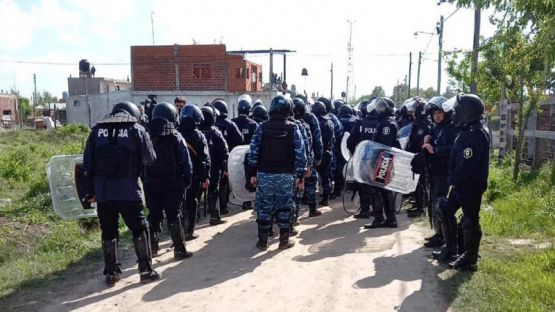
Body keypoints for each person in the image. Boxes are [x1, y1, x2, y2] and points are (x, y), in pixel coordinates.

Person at [83, 101, 159, 287]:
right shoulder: (137, 130)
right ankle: (145, 270)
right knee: (140, 228)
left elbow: (87, 165)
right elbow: (150, 158)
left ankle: (111, 273)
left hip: (103, 192)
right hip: (128, 191)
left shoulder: (96, 132)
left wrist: (90, 191)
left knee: (109, 231)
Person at [433, 94, 490, 271]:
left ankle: (470, 257)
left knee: (469, 219)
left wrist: (453, 178)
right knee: (445, 210)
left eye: (458, 109)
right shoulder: (467, 129)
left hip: (470, 184)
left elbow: (468, 164)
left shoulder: (475, 133)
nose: (454, 113)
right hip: (460, 184)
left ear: (468, 112)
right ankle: (451, 248)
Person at [248, 95, 306, 251]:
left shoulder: (261, 127)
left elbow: (253, 152)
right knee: (285, 207)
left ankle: (262, 242)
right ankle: (283, 241)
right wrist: (300, 176)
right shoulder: (293, 128)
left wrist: (252, 173)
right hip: (286, 175)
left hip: (265, 174)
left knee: (264, 207)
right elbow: (301, 154)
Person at [144, 102, 193, 260]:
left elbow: (140, 161)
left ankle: (152, 249)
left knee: (154, 215)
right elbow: (186, 162)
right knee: (174, 214)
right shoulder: (176, 136)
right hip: (173, 183)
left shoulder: (146, 135)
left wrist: (144, 180)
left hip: (151, 183)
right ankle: (179, 249)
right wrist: (187, 180)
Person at [418, 96, 460, 248]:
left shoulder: (452, 128)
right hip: (434, 171)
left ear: (446, 113)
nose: (437, 116)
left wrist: (435, 150)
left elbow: (453, 149)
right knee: (433, 202)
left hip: (445, 172)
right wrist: (427, 141)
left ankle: (444, 237)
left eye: (440, 113)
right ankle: (438, 233)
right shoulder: (436, 128)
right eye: (435, 113)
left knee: (440, 203)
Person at [363, 97, 400, 229]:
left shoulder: (387, 124)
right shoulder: (385, 122)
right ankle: (390, 219)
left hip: (384, 159)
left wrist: (374, 161)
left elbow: (384, 145)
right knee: (383, 190)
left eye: (382, 107)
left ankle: (380, 219)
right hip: (384, 159)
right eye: (378, 107)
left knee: (376, 189)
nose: (378, 109)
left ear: (388, 109)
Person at [178, 104, 211, 241]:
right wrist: (205, 177)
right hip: (194, 175)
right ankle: (188, 232)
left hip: (178, 175)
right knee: (192, 201)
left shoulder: (175, 133)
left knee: (178, 204)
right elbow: (204, 159)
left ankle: (177, 232)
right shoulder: (198, 136)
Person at [347, 99, 381, 219]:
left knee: (362, 184)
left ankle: (365, 210)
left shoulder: (360, 123)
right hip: (379, 159)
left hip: (363, 158)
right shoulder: (381, 123)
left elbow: (350, 141)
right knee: (377, 185)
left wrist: (353, 153)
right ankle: (377, 211)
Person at [212, 99, 244, 214]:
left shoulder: (212, 124)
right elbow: (240, 139)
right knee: (224, 182)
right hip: (227, 157)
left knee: (213, 184)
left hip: (213, 158)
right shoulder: (229, 124)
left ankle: (213, 208)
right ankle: (223, 206)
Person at [199, 104, 229, 225]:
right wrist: (225, 166)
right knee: (213, 191)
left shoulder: (195, 132)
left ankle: (193, 219)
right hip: (214, 167)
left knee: (196, 192)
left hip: (198, 168)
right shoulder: (215, 133)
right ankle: (214, 216)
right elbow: (225, 151)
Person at [404, 97, 432, 218]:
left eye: (415, 111)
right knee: (417, 182)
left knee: (421, 183)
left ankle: (421, 208)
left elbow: (416, 142)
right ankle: (418, 205)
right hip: (417, 158)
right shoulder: (419, 123)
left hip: (421, 159)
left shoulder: (422, 125)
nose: (413, 113)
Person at [232, 96, 259, 210]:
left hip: (234, 156)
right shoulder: (254, 124)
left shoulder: (232, 123)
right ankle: (247, 201)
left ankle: (236, 197)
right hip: (249, 156)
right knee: (249, 178)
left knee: (236, 177)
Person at [317, 97, 344, 199]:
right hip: (330, 150)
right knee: (330, 173)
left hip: (316, 152)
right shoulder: (332, 118)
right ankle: (331, 193)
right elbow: (339, 131)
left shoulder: (313, 118)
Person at [311, 101, 335, 207]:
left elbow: (314, 139)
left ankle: (309, 200)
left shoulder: (315, 123)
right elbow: (334, 138)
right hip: (328, 153)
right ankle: (326, 199)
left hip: (317, 153)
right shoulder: (330, 122)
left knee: (311, 178)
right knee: (326, 177)